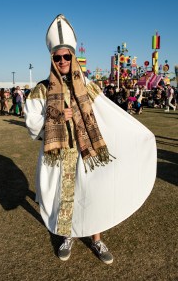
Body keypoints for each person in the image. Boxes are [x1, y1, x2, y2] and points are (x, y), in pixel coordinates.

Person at [24, 14, 157, 264]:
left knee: (92, 194)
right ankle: (67, 236)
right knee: (63, 197)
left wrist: (141, 136)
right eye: (57, 57)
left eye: (67, 56)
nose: (62, 61)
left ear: (73, 57)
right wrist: (55, 117)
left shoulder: (87, 85)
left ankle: (96, 240)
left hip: (88, 152)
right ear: (51, 59)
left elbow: (108, 112)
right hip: (58, 155)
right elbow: (32, 126)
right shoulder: (41, 89)